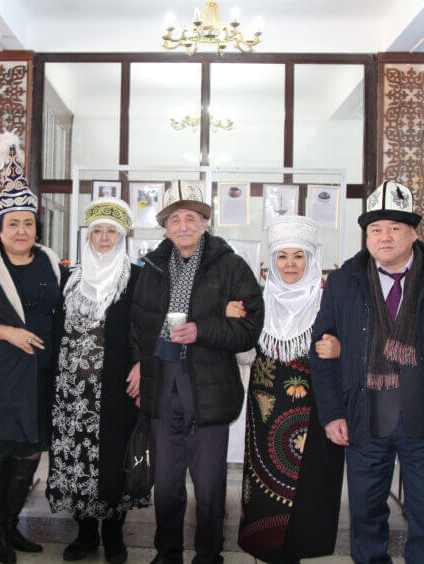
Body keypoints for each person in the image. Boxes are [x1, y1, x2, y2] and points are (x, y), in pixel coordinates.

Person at [310, 181, 424, 564]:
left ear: (414, 233)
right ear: (366, 236)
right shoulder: (345, 280)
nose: (385, 237)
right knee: (365, 512)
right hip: (364, 415)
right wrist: (332, 414)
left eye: (395, 228)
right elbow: (323, 350)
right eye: (376, 229)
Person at [128, 182, 264, 564]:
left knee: (209, 484)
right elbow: (137, 325)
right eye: (175, 219)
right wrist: (138, 363)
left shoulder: (231, 266)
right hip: (162, 381)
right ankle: (167, 553)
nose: (183, 226)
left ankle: (208, 554)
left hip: (208, 385)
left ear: (205, 223)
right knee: (166, 482)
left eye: (191, 218)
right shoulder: (152, 267)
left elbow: (249, 327)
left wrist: (202, 330)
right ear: (165, 227)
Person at [0, 132, 63, 563]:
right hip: (0, 370)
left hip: (41, 371)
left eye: (28, 223)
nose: (22, 230)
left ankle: (13, 523)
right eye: (13, 223)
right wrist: (5, 331)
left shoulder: (50, 261)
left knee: (31, 450)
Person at [239, 215, 345, 563]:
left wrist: (340, 349)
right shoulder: (258, 302)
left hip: (312, 413)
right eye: (282, 256)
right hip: (265, 413)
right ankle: (267, 550)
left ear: (310, 260)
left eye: (298, 256)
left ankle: (298, 551)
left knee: (308, 489)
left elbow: (352, 345)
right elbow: (244, 356)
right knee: (264, 486)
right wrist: (236, 325)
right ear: (272, 261)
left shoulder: (328, 301)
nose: (290, 264)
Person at [47, 198, 146, 563]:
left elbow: (147, 328)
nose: (104, 238)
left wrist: (143, 364)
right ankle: (86, 535)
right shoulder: (70, 277)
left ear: (123, 237)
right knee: (78, 458)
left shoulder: (136, 279)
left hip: (116, 388)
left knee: (113, 460)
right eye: (98, 231)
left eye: (112, 232)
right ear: (87, 235)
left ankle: (114, 536)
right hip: (72, 391)